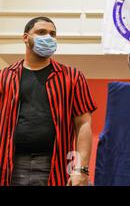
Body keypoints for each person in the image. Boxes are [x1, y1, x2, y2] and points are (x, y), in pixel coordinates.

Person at [0, 17, 97, 186]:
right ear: (25, 37)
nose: (48, 38)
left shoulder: (72, 77)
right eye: (41, 32)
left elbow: (83, 124)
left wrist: (81, 169)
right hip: (10, 165)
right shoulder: (5, 76)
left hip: (55, 165)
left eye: (53, 34)